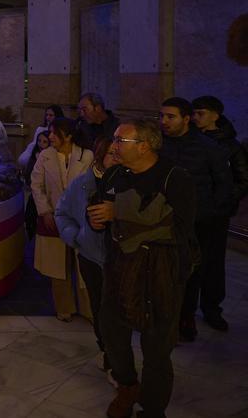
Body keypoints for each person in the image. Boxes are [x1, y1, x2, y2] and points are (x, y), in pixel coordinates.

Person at [88, 120, 196, 418]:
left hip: (160, 271)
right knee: (111, 330)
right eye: (115, 139)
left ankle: (152, 408)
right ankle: (127, 385)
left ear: (144, 146)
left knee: (157, 346)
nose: (114, 146)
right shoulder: (115, 174)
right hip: (120, 266)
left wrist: (119, 213)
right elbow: (101, 208)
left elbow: (179, 228)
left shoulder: (175, 177)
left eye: (121, 140)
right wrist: (95, 221)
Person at [158, 97, 234, 339]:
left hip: (198, 220)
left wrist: (211, 212)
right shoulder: (160, 144)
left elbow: (224, 184)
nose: (164, 121)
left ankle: (186, 316)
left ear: (186, 119)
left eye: (171, 117)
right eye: (162, 116)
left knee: (192, 271)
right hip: (164, 218)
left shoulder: (208, 147)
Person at [55, 136, 118, 376]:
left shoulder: (130, 184)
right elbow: (62, 213)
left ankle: (118, 359)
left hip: (121, 260)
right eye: (112, 153)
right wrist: (78, 236)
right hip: (92, 257)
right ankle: (107, 352)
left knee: (117, 312)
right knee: (100, 308)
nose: (117, 157)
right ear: (101, 156)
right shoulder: (82, 184)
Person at [31, 117, 94, 321]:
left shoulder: (87, 156)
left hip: (81, 219)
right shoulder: (45, 156)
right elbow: (36, 185)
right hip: (55, 219)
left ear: (67, 135)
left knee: (85, 264)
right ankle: (64, 307)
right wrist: (45, 211)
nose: (50, 137)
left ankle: (88, 308)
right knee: (58, 265)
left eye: (54, 133)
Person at [192, 95, 248, 211]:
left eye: (201, 113)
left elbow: (243, 179)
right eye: (194, 114)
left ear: (215, 116)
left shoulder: (231, 146)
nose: (195, 117)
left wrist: (222, 199)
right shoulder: (191, 139)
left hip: (217, 209)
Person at [22, 131, 51, 240]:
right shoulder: (34, 157)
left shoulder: (50, 158)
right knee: (30, 219)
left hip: (45, 196)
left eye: (45, 142)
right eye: (39, 141)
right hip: (34, 195)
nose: (41, 144)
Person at [18, 105, 65, 169]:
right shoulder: (40, 129)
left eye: (51, 115)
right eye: (46, 115)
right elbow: (35, 144)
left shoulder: (61, 130)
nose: (47, 117)